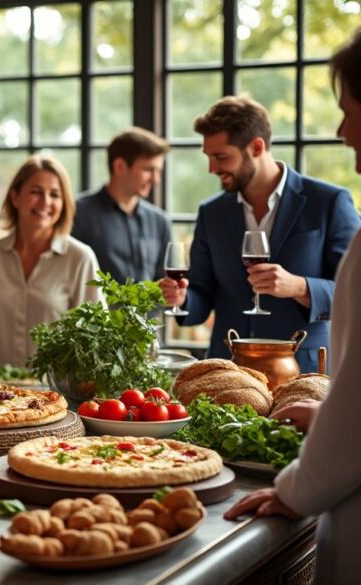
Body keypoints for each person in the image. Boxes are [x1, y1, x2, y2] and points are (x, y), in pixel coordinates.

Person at [225, 29, 361, 584]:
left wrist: (294, 489)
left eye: (351, 110)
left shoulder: (332, 201)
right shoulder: (213, 212)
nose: (342, 130)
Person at [159, 96, 360, 374]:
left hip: (305, 371)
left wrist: (299, 287)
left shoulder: (329, 202)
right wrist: (182, 299)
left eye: (220, 157)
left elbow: (354, 291)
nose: (212, 169)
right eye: (208, 157)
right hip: (228, 372)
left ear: (256, 147)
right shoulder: (211, 212)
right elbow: (201, 295)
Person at [0, 155, 102, 367]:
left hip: (54, 392)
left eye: (55, 195)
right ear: (15, 197)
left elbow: (96, 336)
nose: (46, 202)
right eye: (36, 192)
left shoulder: (80, 259)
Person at [71, 127, 171, 283]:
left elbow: (164, 283)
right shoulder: (77, 212)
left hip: (151, 309)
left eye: (158, 171)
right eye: (148, 169)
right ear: (120, 166)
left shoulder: (160, 221)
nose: (156, 180)